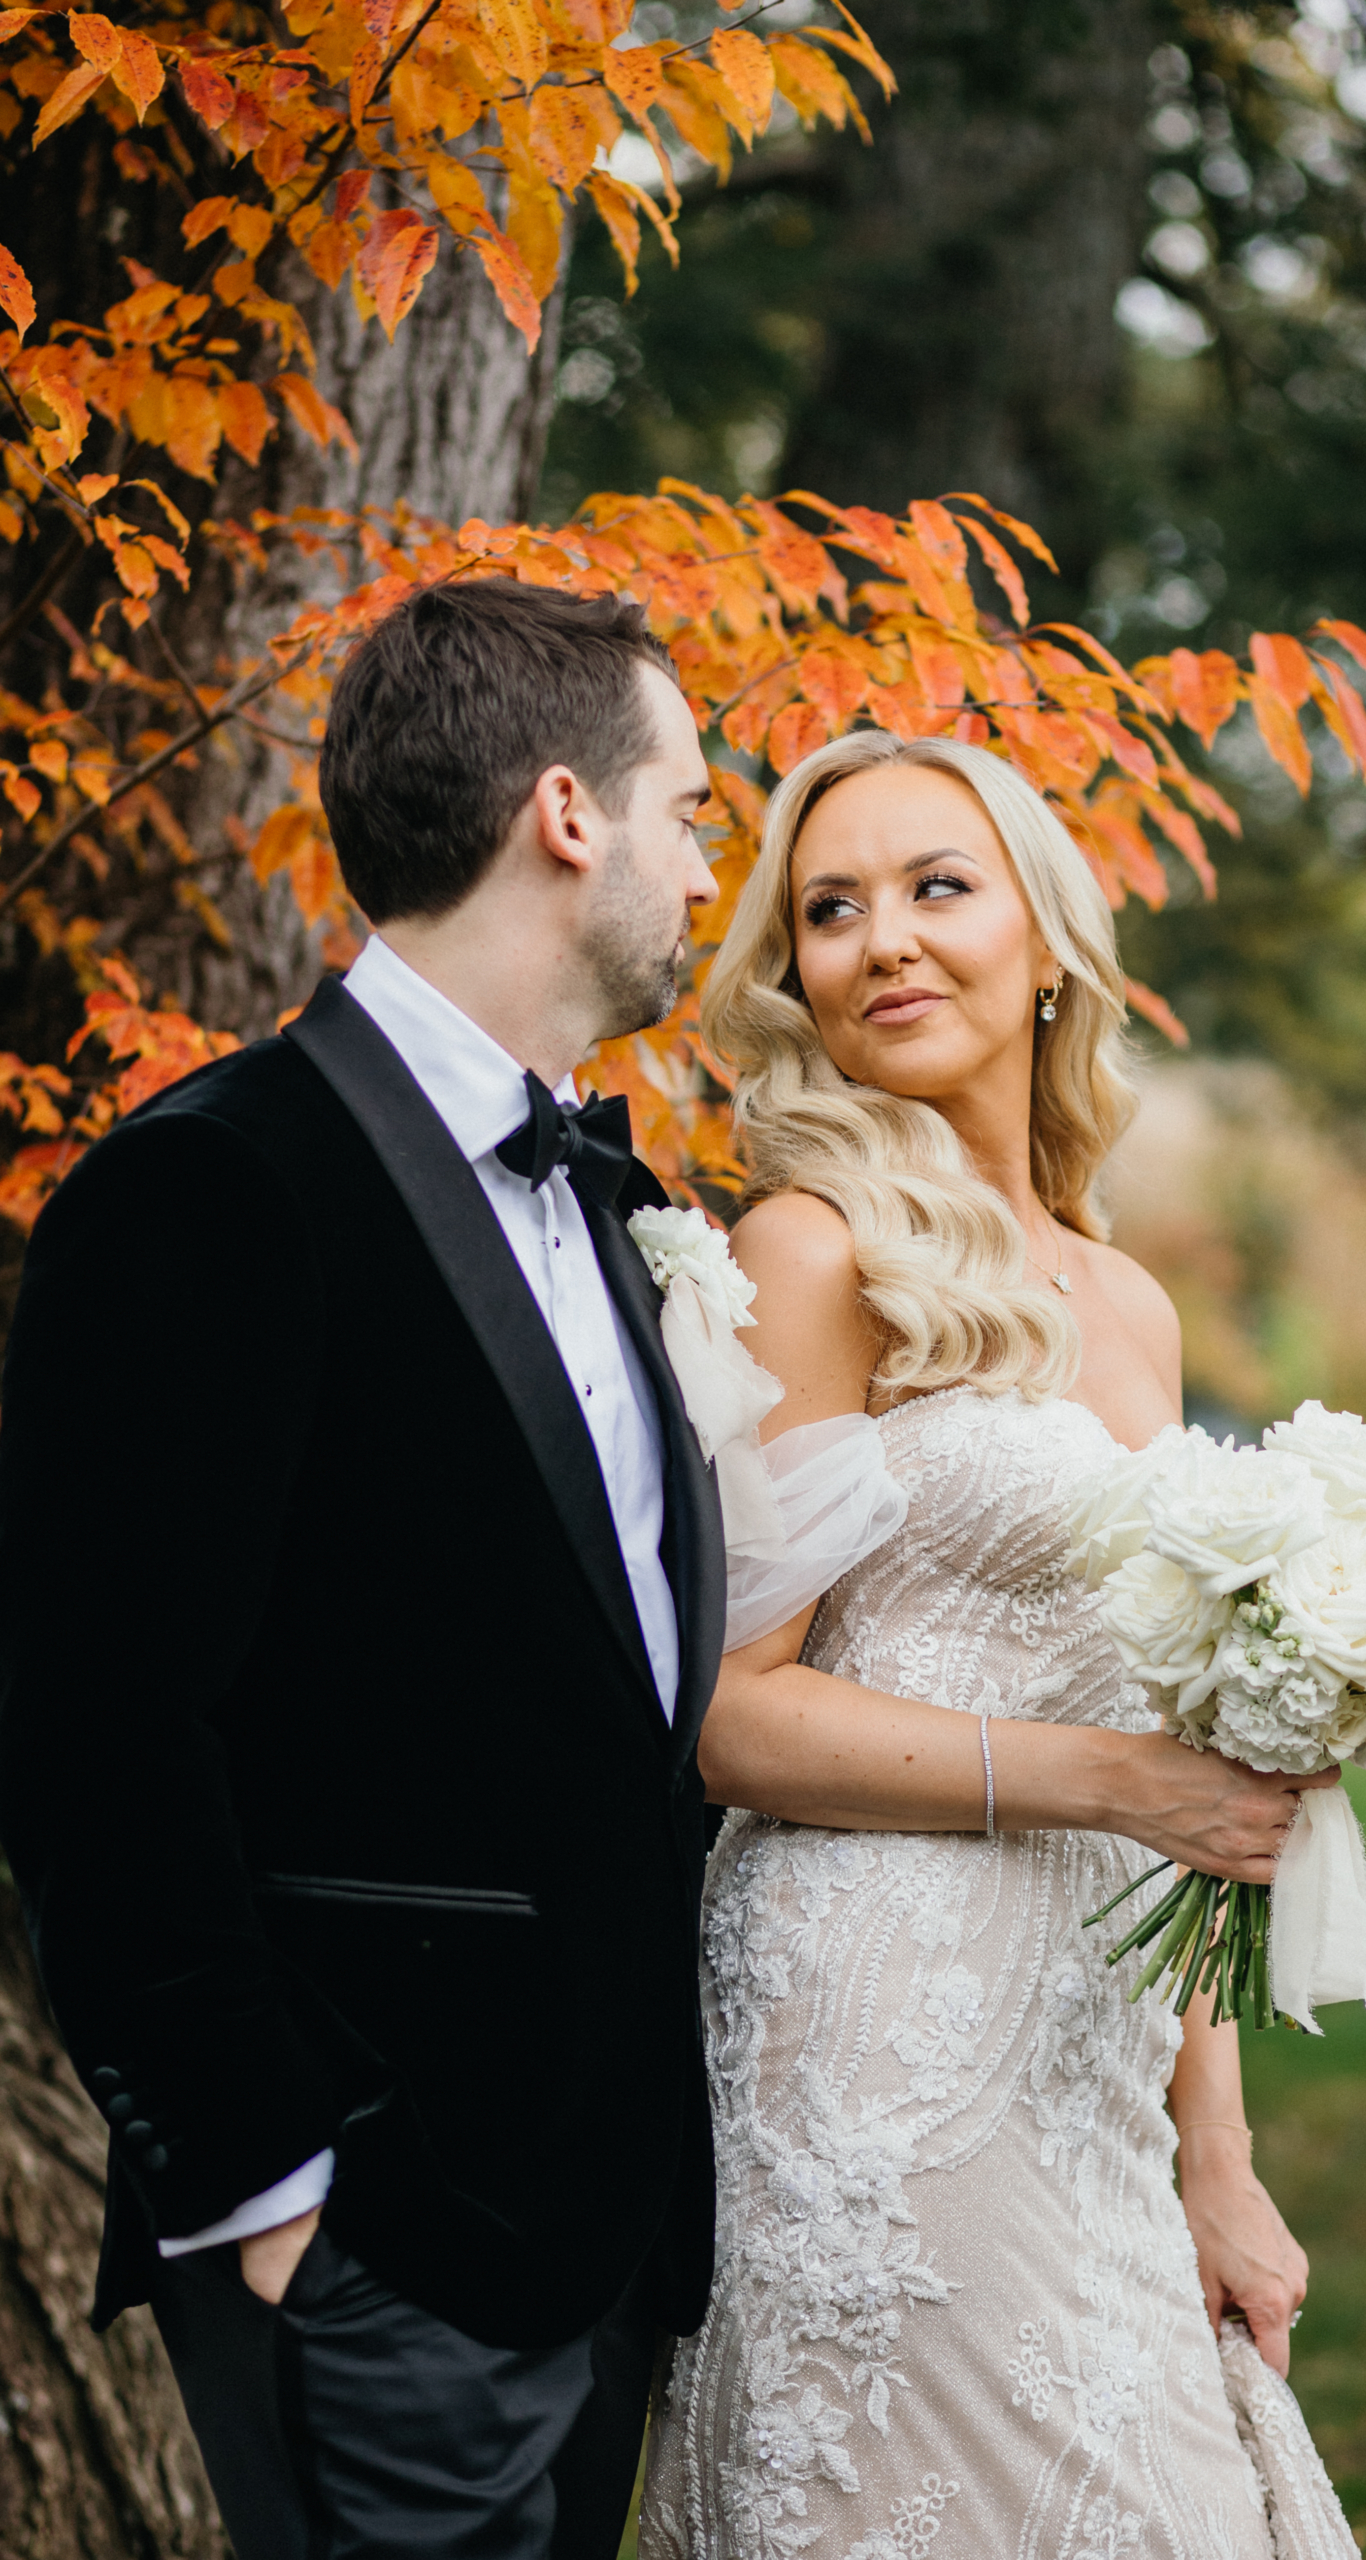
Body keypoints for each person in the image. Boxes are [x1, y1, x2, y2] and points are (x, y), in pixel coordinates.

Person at [0, 580, 727, 2560]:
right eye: (690, 810)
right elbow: (92, 1731)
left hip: (591, 2213)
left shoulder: (604, 1186)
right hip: (377, 2237)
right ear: (566, 813)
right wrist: (268, 2186)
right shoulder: (211, 1185)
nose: (700, 864)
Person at [638, 730, 1358, 2559]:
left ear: (1047, 940)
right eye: (830, 909)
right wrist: (1116, 1782)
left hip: (1098, 2043)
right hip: (875, 2034)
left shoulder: (1128, 1302)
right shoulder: (811, 1252)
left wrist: (1222, 2153)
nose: (884, 940)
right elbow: (732, 1718)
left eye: (937, 888)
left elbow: (1169, 1751)